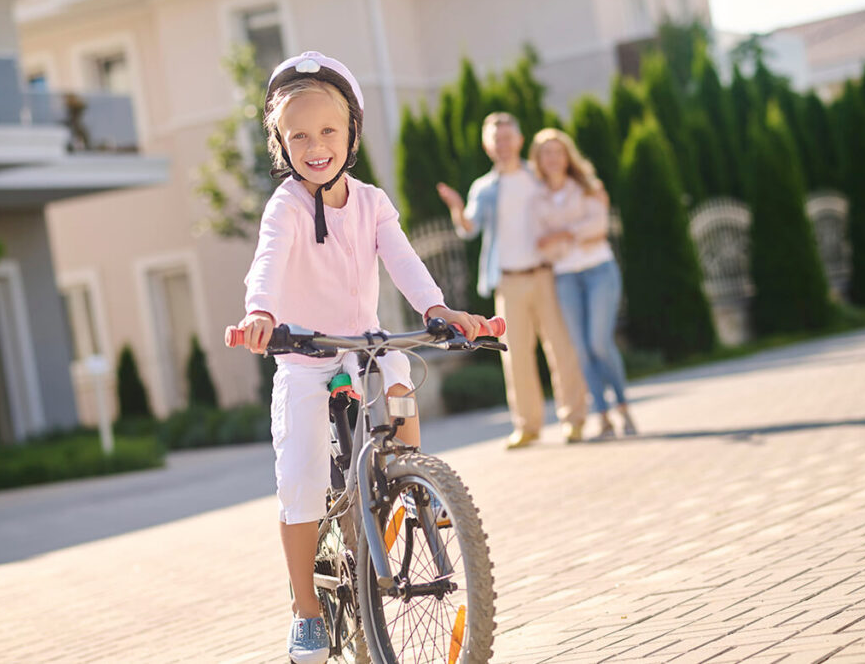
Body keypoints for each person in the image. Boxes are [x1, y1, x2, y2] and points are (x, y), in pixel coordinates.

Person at [238, 51, 488, 664]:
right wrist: (260, 313)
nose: (315, 146)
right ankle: (306, 611)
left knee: (397, 373)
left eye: (328, 130)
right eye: (298, 135)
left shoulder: (372, 202)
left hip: (366, 344)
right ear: (280, 143)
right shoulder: (286, 205)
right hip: (305, 353)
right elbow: (268, 261)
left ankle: (413, 484)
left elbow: (404, 261)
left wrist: (438, 309)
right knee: (300, 480)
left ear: (351, 134)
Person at [437, 113, 588, 449]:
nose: (503, 144)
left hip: (546, 274)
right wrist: (457, 209)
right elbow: (469, 228)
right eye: (496, 139)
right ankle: (527, 426)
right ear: (487, 146)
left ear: (519, 141)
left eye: (508, 138)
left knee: (561, 349)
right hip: (509, 281)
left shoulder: (538, 176)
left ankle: (574, 419)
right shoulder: (484, 187)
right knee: (515, 355)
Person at [528, 128, 636, 438]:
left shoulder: (589, 186)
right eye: (546, 153)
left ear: (567, 156)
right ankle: (603, 416)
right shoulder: (537, 199)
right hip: (565, 277)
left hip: (599, 270)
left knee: (599, 342)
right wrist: (576, 233)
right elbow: (542, 246)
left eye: (557, 152)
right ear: (538, 160)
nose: (552, 158)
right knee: (581, 349)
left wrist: (561, 234)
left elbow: (598, 227)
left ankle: (623, 408)